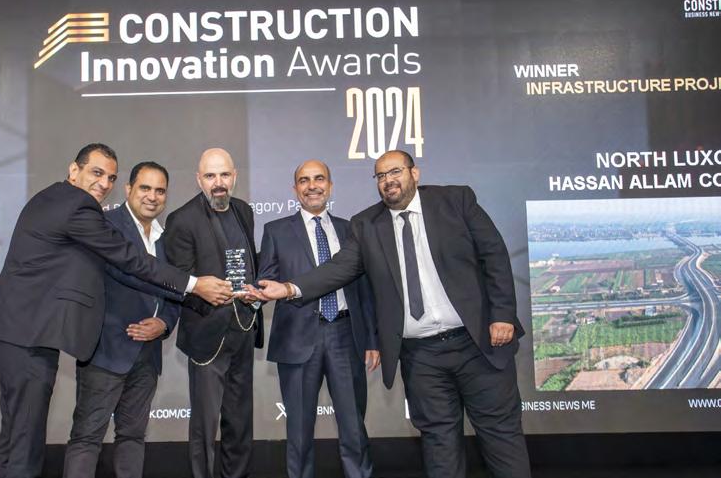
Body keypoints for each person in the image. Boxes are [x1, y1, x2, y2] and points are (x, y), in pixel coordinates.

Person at [250, 150, 531, 478]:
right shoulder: (367, 225)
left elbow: (493, 254)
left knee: (501, 436)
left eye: (395, 171)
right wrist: (289, 288)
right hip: (422, 357)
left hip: (477, 343)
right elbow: (339, 269)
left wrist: (502, 314)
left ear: (415, 173)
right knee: (439, 442)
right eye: (381, 176)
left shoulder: (455, 200)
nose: (388, 180)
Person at [0, 143, 232, 478]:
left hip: (21, 329)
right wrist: (195, 284)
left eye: (110, 177)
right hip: (28, 332)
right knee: (25, 441)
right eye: (96, 173)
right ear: (74, 170)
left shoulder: (55, 198)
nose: (103, 183)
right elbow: (129, 261)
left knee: (16, 436)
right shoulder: (79, 207)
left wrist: (167, 317)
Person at [257, 160, 379, 478]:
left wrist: (372, 339)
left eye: (319, 178)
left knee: (354, 428)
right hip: (297, 339)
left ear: (330, 186)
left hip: (346, 336)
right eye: (304, 180)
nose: (312, 186)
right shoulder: (275, 231)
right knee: (298, 432)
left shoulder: (350, 229)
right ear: (295, 189)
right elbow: (266, 281)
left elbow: (364, 290)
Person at [63, 161, 182, 478]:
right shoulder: (105, 225)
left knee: (133, 437)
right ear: (128, 189)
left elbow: (174, 292)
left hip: (148, 356)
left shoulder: (165, 238)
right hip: (105, 352)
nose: (152, 197)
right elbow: (122, 273)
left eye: (160, 191)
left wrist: (164, 323)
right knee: (86, 439)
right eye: (145, 188)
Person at [163, 147, 262, 478]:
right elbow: (176, 282)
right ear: (198, 179)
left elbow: (249, 263)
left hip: (244, 327)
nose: (218, 182)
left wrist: (257, 292)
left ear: (234, 177)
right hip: (208, 335)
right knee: (205, 427)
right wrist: (202, 291)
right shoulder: (181, 219)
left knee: (240, 421)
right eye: (210, 176)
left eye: (224, 175)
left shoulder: (244, 211)